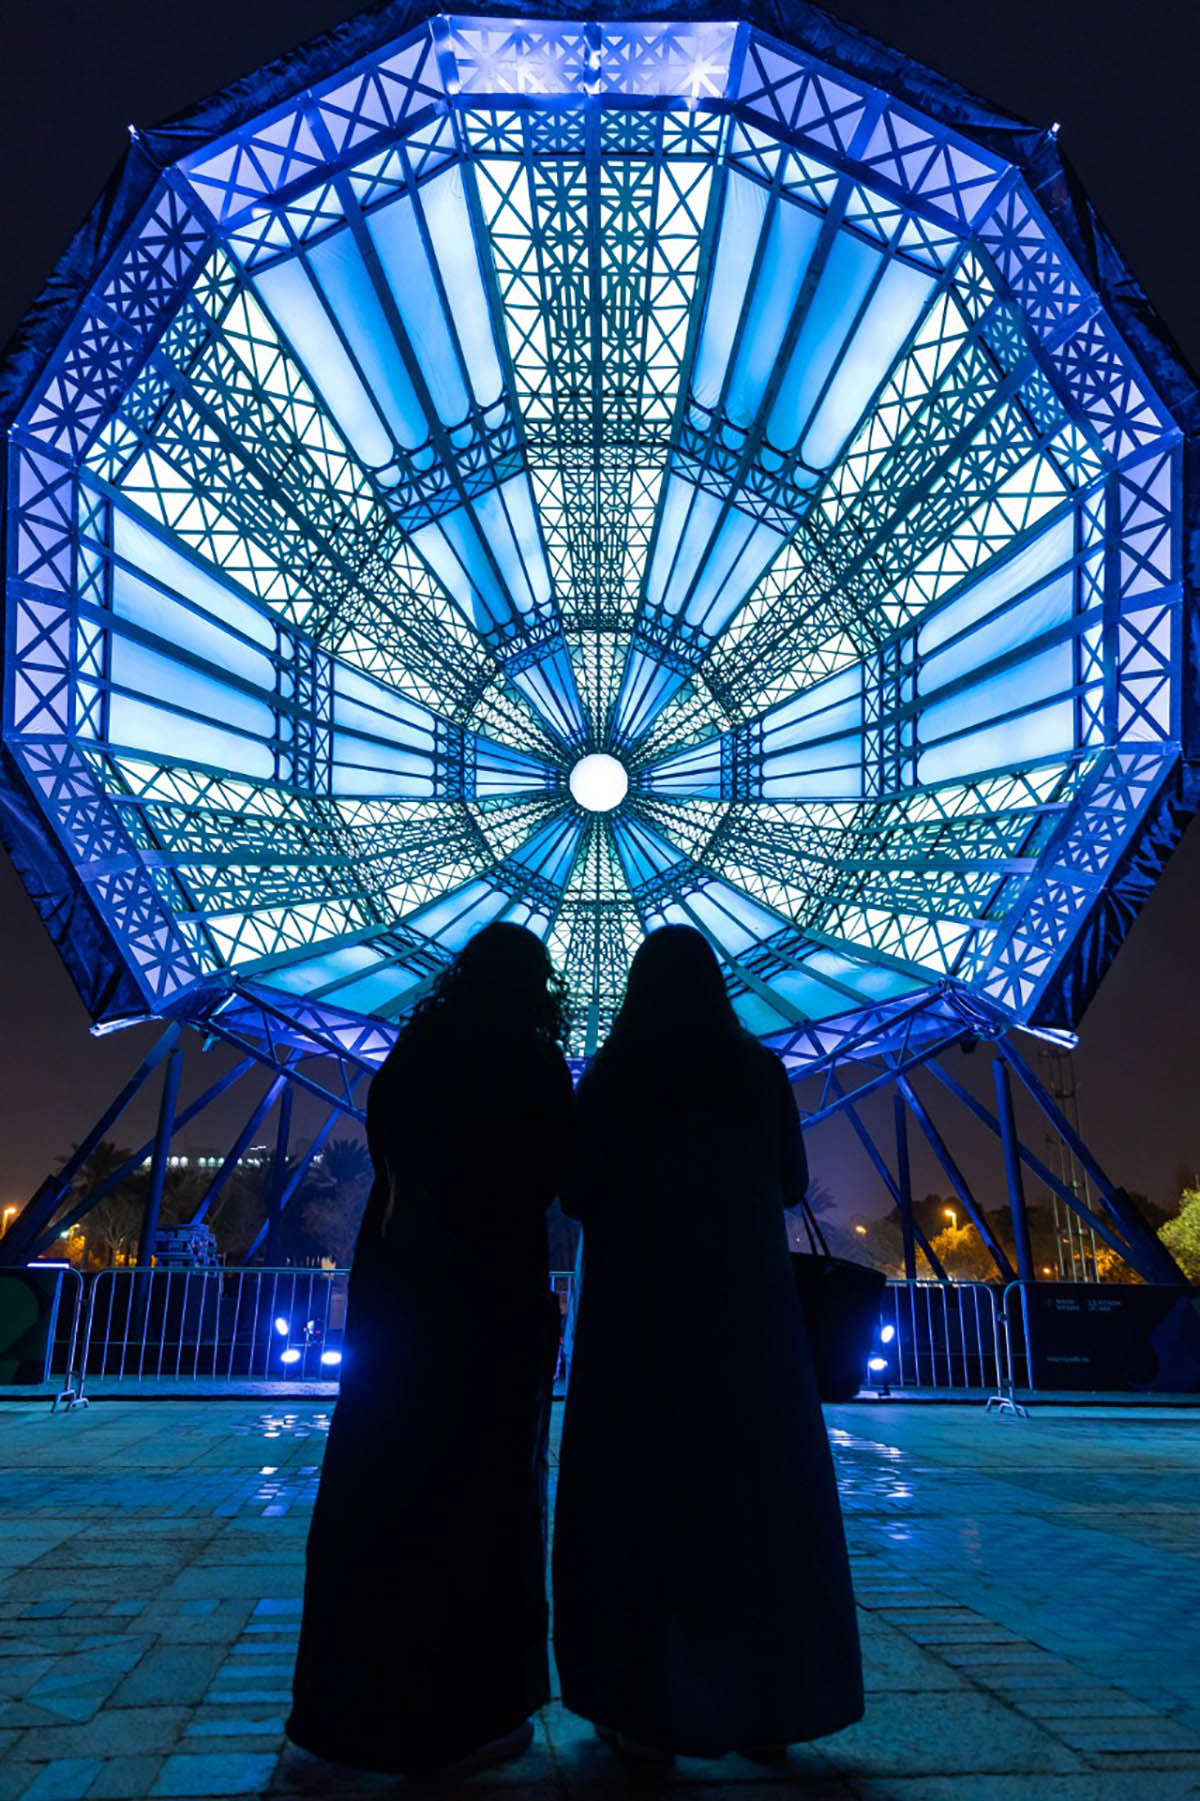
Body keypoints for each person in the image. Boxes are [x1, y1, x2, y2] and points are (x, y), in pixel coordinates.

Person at [553, 925, 863, 1761]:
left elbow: (576, 1192)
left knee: (637, 1504)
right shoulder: (755, 1070)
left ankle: (636, 1697)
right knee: (755, 1500)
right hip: (746, 1320)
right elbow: (792, 1183)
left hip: (637, 1325)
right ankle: (768, 1695)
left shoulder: (616, 1073)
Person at [288, 922, 573, 1777]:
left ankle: (355, 1704)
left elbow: (391, 1154)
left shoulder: (416, 1049)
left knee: (382, 1482)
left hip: (403, 1290)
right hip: (492, 1296)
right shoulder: (531, 1061)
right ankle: (472, 1707)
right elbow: (558, 1175)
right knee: (483, 1499)